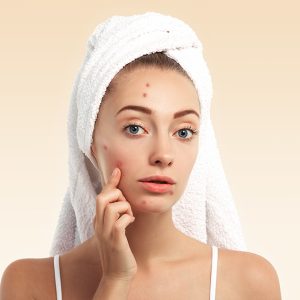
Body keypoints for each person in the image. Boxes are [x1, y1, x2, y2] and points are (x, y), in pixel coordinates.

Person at [0, 13, 281, 299]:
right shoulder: (29, 283)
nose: (163, 155)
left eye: (183, 132)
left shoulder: (249, 281)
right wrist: (115, 279)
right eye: (135, 128)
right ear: (91, 141)